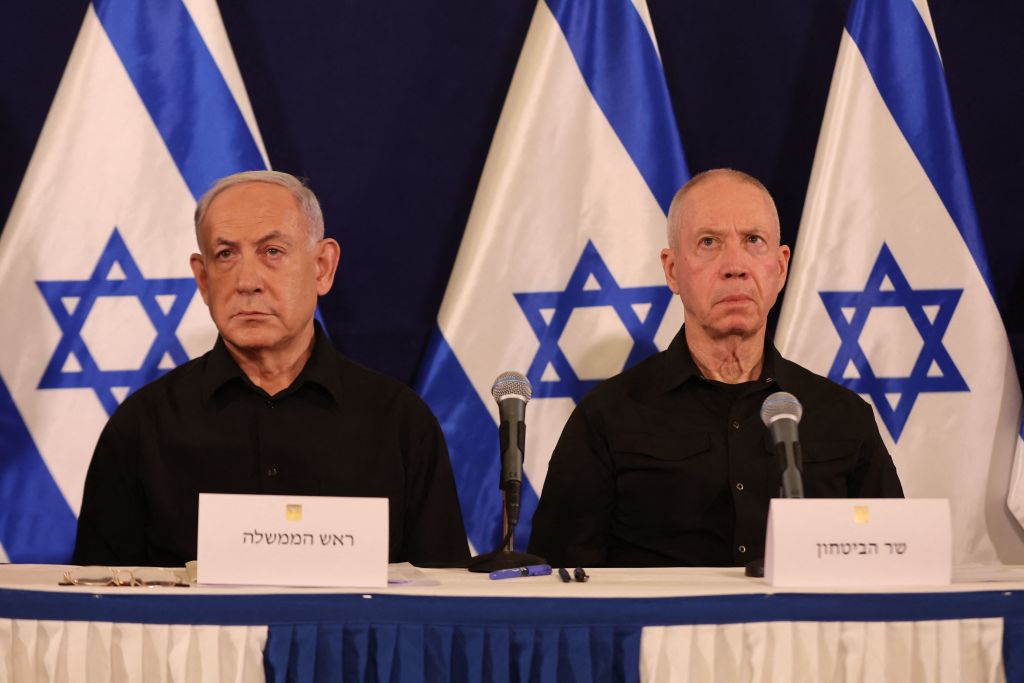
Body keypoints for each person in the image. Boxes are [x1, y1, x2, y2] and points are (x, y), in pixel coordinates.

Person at [72, 171, 469, 567]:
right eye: (225, 255)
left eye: (272, 252)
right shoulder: (142, 427)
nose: (247, 281)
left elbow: (443, 602)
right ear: (203, 278)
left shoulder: (399, 423)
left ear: (322, 267)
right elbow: (100, 610)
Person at [528, 169, 903, 568]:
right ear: (672, 270)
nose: (735, 266)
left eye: (753, 241)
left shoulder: (844, 417)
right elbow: (559, 581)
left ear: (780, 268)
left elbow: (894, 563)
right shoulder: (606, 417)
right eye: (709, 242)